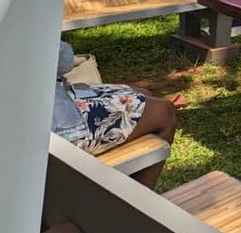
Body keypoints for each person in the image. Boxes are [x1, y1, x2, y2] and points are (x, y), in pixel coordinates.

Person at [52, 41, 177, 188]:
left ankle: (124, 197)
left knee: (141, 93)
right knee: (164, 111)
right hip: (60, 129)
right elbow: (63, 60)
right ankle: (134, 205)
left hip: (57, 103)